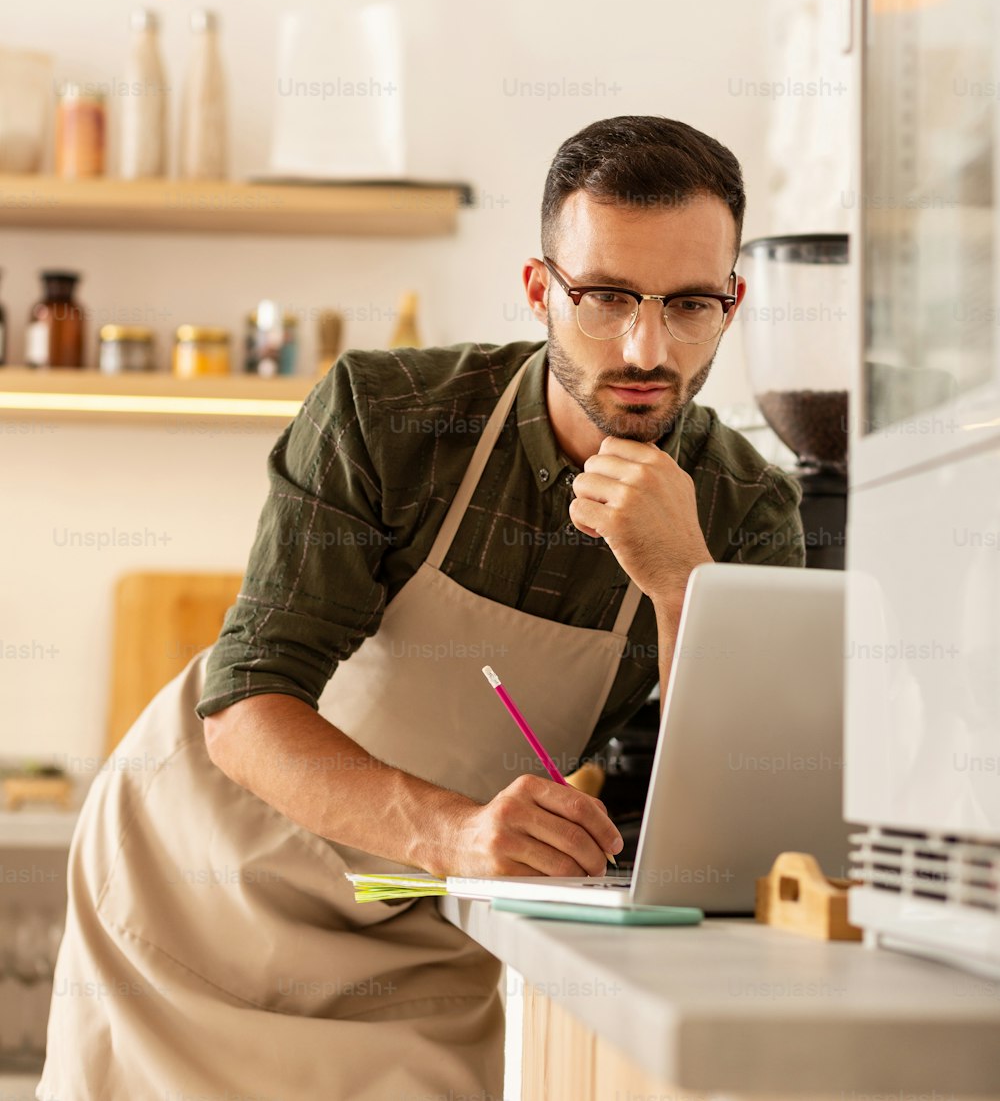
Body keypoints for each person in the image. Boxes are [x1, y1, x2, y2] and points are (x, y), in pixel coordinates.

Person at [39, 115, 805, 1101]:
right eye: (605, 296)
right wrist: (454, 837)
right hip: (191, 890)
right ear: (540, 290)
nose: (645, 346)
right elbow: (244, 706)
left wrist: (681, 580)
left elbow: (744, 805)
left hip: (419, 932)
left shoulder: (747, 508)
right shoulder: (388, 419)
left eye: (690, 303)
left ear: (732, 303)